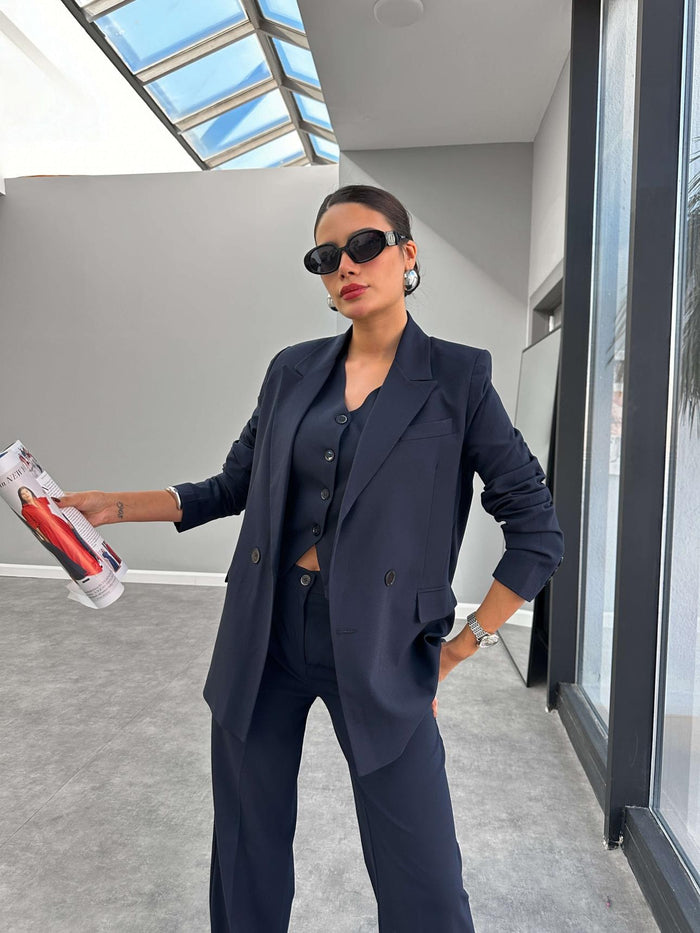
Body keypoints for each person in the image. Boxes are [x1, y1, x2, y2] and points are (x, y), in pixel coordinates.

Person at [56, 184, 564, 932]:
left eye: (365, 246)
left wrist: (462, 646)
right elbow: (231, 485)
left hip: (385, 641)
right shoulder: (291, 371)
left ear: (407, 254)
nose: (346, 266)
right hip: (264, 632)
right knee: (246, 850)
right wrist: (114, 505)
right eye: (326, 258)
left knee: (422, 876)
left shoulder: (458, 378)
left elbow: (537, 528)